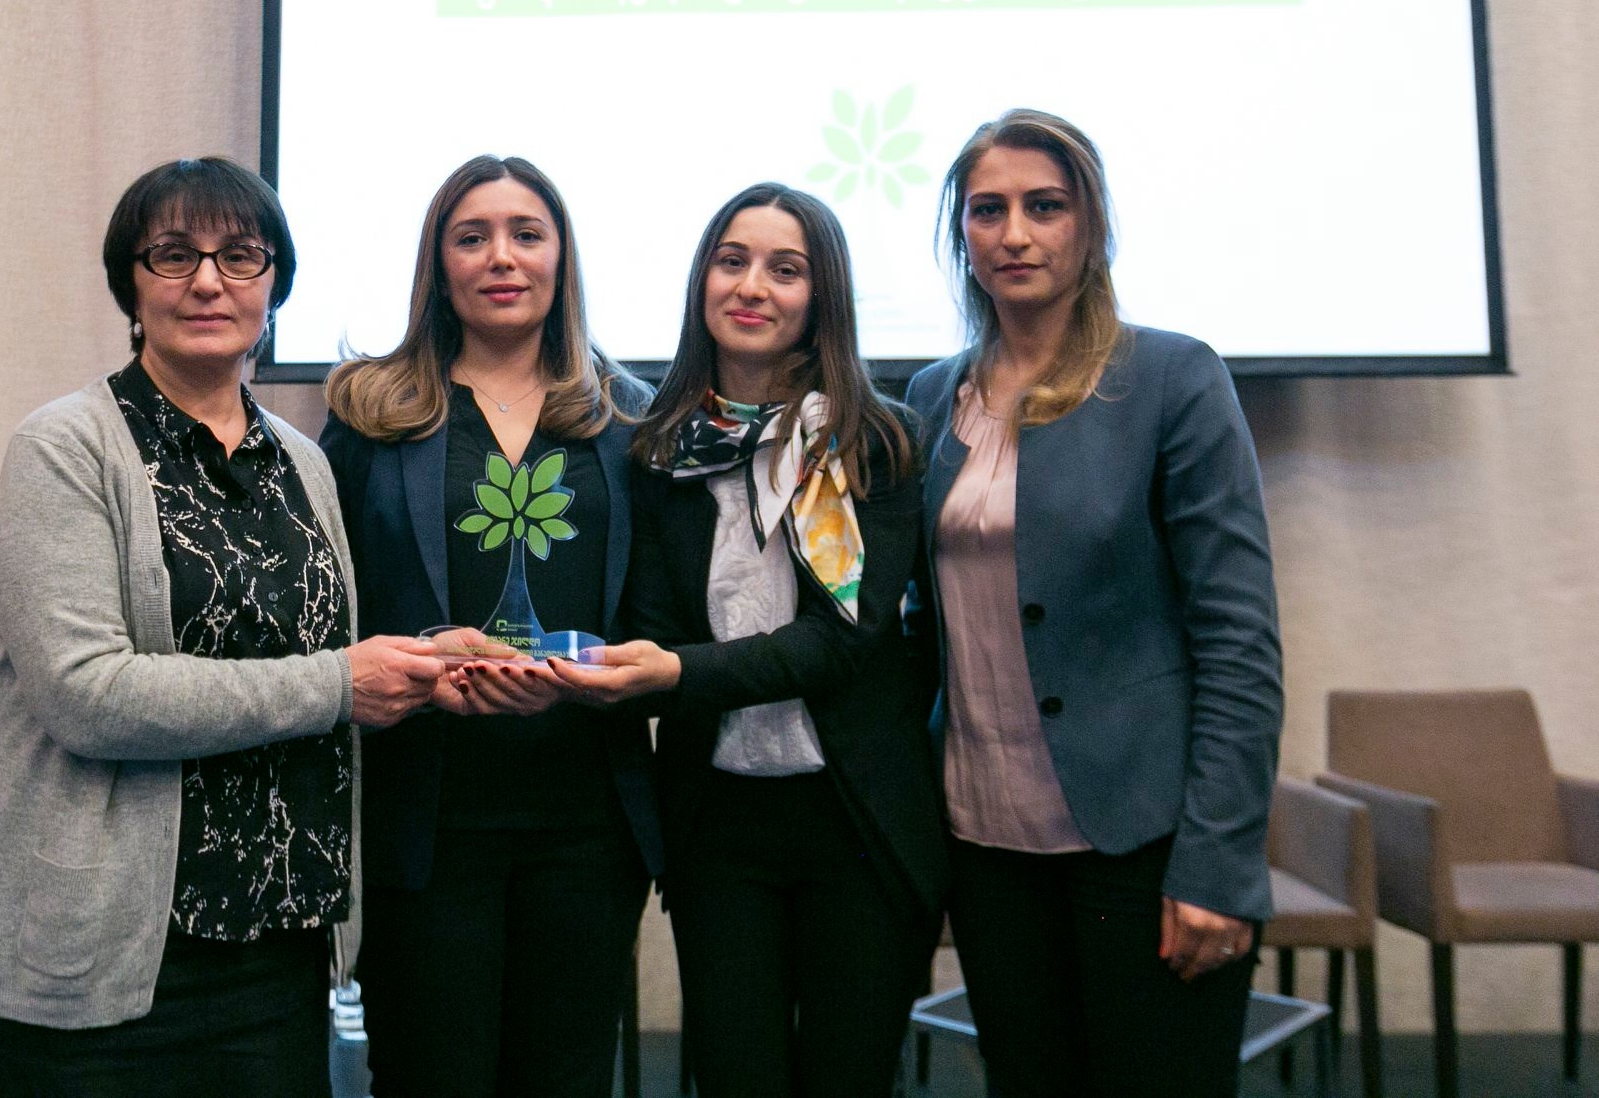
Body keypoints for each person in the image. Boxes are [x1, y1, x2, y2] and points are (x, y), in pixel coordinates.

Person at [0, 158, 449, 1097]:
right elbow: (88, 693)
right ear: (130, 286)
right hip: (100, 963)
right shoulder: (62, 448)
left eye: (240, 254)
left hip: (280, 950)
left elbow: (320, 657)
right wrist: (341, 682)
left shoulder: (302, 462)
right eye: (174, 254)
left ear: (274, 283)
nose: (209, 280)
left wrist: (422, 666)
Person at [905, 109, 1284, 1097]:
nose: (1014, 233)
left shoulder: (1171, 377)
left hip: (1142, 840)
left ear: (1091, 224)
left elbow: (1239, 642)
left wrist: (1217, 864)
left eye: (1045, 206)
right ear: (962, 233)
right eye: (986, 210)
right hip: (985, 843)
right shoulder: (932, 398)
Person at [550, 183, 946, 1098]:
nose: (752, 285)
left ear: (822, 295)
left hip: (859, 823)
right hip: (718, 824)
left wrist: (675, 672)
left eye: (785, 268)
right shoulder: (663, 450)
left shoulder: (874, 443)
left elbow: (837, 643)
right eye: (731, 261)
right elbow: (654, 625)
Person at [318, 154, 662, 1098]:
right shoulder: (369, 412)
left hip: (586, 824)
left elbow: (656, 607)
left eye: (526, 234)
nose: (501, 256)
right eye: (471, 237)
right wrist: (417, 664)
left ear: (561, 257)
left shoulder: (630, 418)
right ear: (440, 265)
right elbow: (329, 604)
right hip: (423, 822)